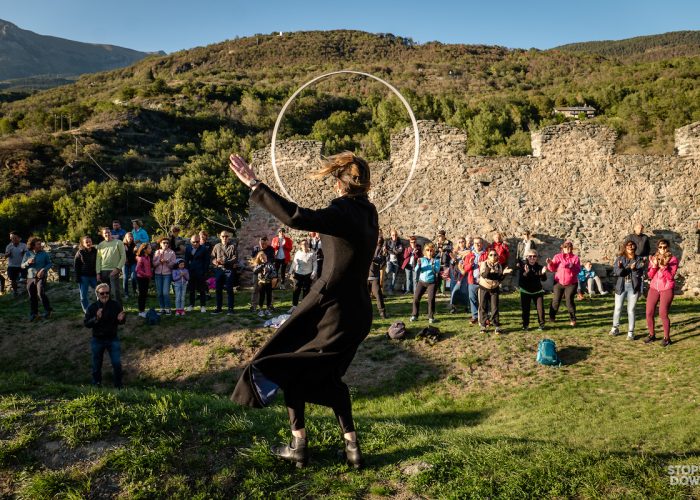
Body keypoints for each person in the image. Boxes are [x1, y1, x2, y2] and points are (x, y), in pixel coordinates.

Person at [229, 151, 378, 469]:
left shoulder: (343, 210)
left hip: (331, 308)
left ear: (339, 184)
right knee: (328, 379)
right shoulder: (369, 212)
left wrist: (256, 185)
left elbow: (296, 217)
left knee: (280, 364)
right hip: (358, 311)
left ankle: (300, 444)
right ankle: (351, 448)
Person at [84, 283, 125, 388]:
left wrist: (121, 319)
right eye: (102, 293)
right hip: (97, 339)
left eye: (107, 293)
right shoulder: (92, 307)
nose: (105, 295)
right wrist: (96, 318)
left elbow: (121, 320)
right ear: (97, 294)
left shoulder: (115, 305)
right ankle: (96, 384)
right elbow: (87, 324)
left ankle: (118, 386)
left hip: (112, 338)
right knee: (96, 364)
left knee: (116, 363)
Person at [644, 239, 678, 347]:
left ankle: (667, 338)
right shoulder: (654, 258)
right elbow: (650, 275)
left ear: (668, 247)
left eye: (665, 247)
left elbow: (671, 276)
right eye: (660, 247)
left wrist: (663, 268)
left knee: (663, 313)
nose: (662, 249)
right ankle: (651, 334)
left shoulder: (673, 259)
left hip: (666, 288)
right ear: (657, 247)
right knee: (649, 312)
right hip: (654, 288)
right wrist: (654, 266)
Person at [610, 240, 645, 340]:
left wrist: (632, 269)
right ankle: (615, 328)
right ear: (625, 247)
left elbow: (639, 272)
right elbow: (617, 272)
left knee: (631, 310)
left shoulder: (638, 259)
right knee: (618, 308)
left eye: (632, 246)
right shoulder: (620, 258)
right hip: (621, 286)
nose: (630, 248)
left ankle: (630, 332)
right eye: (628, 246)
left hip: (633, 287)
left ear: (635, 248)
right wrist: (625, 268)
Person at [547, 240, 581, 327]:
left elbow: (578, 270)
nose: (568, 249)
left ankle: (573, 319)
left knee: (569, 301)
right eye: (566, 247)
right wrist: (550, 263)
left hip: (571, 283)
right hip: (559, 282)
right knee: (556, 300)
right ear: (563, 248)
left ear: (572, 248)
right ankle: (551, 317)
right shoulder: (558, 257)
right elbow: (552, 269)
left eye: (569, 247)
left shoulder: (575, 258)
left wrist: (572, 267)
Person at [478, 249, 512, 333]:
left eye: (495, 255)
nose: (493, 256)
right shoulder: (484, 263)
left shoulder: (499, 265)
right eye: (491, 255)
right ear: (488, 256)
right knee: (483, 306)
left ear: (497, 256)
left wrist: (504, 274)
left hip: (494, 289)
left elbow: (499, 279)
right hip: (484, 287)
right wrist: (490, 269)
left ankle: (496, 325)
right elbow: (485, 275)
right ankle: (483, 325)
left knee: (495, 307)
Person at [21, 237, 52, 321]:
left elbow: (49, 264)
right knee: (32, 296)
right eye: (38, 244)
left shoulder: (44, 254)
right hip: (30, 277)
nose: (40, 245)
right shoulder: (27, 254)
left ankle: (48, 310)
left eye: (40, 243)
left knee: (40, 293)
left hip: (41, 276)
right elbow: (22, 265)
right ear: (33, 245)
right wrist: (28, 262)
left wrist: (43, 269)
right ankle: (34, 314)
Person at [517, 249, 547, 331]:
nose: (532, 258)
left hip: (537, 291)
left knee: (540, 309)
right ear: (527, 257)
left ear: (537, 258)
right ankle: (525, 325)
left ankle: (542, 325)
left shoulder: (540, 267)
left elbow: (544, 279)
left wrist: (543, 273)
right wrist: (526, 273)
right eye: (530, 256)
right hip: (525, 291)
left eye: (534, 256)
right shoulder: (523, 267)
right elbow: (521, 281)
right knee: (525, 309)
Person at [410, 242, 440, 324]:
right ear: (425, 251)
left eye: (431, 250)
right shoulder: (421, 259)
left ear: (433, 251)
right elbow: (416, 270)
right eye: (427, 250)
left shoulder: (436, 260)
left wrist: (433, 265)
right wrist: (419, 265)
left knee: (430, 299)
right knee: (416, 298)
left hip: (432, 282)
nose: (429, 252)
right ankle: (414, 315)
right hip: (422, 282)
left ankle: (431, 316)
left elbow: (437, 271)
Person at [95, 228, 126, 304]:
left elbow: (123, 256)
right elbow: (98, 260)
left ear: (111, 233)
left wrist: (118, 268)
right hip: (103, 271)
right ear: (102, 235)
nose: (107, 234)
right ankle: (105, 311)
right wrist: (98, 273)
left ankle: (119, 312)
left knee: (115, 293)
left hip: (113, 271)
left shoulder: (119, 242)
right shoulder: (101, 245)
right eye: (105, 233)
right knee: (104, 293)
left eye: (108, 232)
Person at [211, 231, 238, 315]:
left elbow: (235, 258)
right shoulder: (216, 246)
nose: (225, 238)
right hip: (219, 270)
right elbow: (212, 257)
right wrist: (215, 262)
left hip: (229, 270)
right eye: (223, 236)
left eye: (226, 236)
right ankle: (219, 308)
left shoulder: (232, 246)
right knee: (218, 290)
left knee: (229, 289)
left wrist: (225, 262)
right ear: (220, 237)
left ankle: (230, 308)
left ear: (228, 237)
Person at [463, 237, 488, 325]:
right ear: (473, 244)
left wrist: (484, 264)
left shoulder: (486, 254)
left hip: (483, 281)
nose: (477, 245)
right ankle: (475, 316)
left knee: (484, 300)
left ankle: (485, 317)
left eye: (479, 243)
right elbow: (465, 268)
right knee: (472, 299)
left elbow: (491, 265)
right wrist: (470, 263)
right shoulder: (469, 255)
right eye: (475, 243)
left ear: (482, 244)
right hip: (472, 281)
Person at [290, 239, 317, 313]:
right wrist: (290, 272)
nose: (305, 245)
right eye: (303, 244)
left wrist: (313, 273)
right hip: (298, 274)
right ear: (301, 246)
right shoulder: (298, 253)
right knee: (296, 290)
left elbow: (315, 264)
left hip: (308, 275)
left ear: (308, 245)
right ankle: (294, 306)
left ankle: (304, 307)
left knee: (306, 290)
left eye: (306, 244)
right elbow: (294, 263)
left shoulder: (312, 253)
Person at [250, 236, 276, 311]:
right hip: (257, 271)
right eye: (261, 243)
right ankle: (253, 305)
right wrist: (259, 266)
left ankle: (270, 305)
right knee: (255, 288)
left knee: (269, 289)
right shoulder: (256, 248)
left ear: (267, 243)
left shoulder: (270, 249)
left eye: (264, 243)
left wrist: (266, 266)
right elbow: (253, 259)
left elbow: (272, 259)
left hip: (267, 271)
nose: (262, 245)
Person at [185, 234, 209, 313]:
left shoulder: (204, 249)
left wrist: (204, 271)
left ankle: (203, 306)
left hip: (200, 272)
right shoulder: (188, 249)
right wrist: (187, 270)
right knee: (191, 290)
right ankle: (191, 305)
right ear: (190, 242)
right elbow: (186, 260)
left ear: (200, 241)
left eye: (197, 242)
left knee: (202, 290)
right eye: (194, 242)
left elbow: (207, 261)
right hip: (191, 272)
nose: (196, 243)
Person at [152, 237, 176, 315]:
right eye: (164, 242)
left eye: (167, 243)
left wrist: (167, 262)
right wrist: (159, 261)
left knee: (165, 292)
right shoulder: (157, 252)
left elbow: (173, 265)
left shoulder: (172, 253)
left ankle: (168, 308)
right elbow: (154, 264)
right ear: (160, 244)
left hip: (167, 274)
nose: (166, 244)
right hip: (158, 274)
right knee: (159, 293)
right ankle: (162, 308)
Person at [74, 235, 98, 313]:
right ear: (83, 243)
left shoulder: (95, 251)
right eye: (86, 242)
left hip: (94, 275)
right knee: (83, 295)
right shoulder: (80, 252)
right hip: (84, 276)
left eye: (90, 241)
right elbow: (76, 266)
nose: (88, 243)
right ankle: (87, 311)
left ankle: (100, 308)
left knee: (100, 292)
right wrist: (77, 277)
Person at [448, 237, 470, 314]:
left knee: (465, 291)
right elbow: (451, 263)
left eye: (462, 241)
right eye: (459, 242)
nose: (461, 243)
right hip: (456, 273)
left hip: (464, 273)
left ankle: (467, 306)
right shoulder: (455, 252)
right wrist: (454, 259)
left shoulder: (468, 251)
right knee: (454, 291)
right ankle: (454, 307)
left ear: (465, 242)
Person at [252, 251, 276, 317]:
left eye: (264, 258)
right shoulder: (258, 265)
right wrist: (261, 266)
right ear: (259, 259)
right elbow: (255, 271)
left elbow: (274, 273)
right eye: (261, 258)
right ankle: (260, 309)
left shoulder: (270, 264)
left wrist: (269, 273)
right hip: (261, 283)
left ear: (266, 257)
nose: (263, 259)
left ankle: (268, 309)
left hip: (268, 282)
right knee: (261, 296)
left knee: (269, 296)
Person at [368, 235, 387, 319]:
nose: (379, 244)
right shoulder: (369, 247)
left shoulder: (381, 251)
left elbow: (380, 262)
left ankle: (382, 313)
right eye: (378, 242)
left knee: (378, 296)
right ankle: (365, 313)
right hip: (366, 276)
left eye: (380, 242)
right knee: (364, 297)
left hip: (374, 277)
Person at [5, 232, 27, 297]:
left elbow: (27, 253)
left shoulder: (23, 245)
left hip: (22, 265)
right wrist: (8, 254)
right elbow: (5, 255)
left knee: (25, 278)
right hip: (12, 266)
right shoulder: (9, 246)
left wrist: (24, 253)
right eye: (11, 238)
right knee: (13, 280)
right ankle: (15, 292)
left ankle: (28, 290)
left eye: (14, 238)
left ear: (19, 238)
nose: (13, 239)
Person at [135, 243, 153, 317]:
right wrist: (147, 275)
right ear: (145, 250)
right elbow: (137, 270)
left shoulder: (148, 257)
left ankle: (142, 310)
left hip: (146, 278)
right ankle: (141, 311)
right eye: (149, 248)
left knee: (144, 294)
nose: (151, 249)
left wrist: (150, 274)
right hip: (141, 278)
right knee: (142, 295)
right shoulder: (141, 258)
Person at [384, 229, 404, 293]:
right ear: (391, 235)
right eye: (393, 235)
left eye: (395, 235)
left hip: (396, 261)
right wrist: (394, 250)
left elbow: (400, 251)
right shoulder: (387, 242)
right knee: (388, 272)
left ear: (397, 235)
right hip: (389, 260)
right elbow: (385, 250)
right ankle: (388, 288)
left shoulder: (399, 242)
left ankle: (391, 289)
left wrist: (391, 250)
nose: (394, 237)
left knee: (394, 276)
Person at [435, 230, 453, 296]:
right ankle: (437, 290)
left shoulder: (449, 242)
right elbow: (435, 252)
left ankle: (444, 291)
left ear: (443, 236)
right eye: (438, 236)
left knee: (445, 276)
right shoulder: (437, 243)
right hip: (438, 262)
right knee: (437, 276)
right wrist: (437, 247)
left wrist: (443, 249)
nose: (439, 237)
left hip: (446, 262)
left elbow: (450, 248)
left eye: (440, 236)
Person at [122, 232, 137, 300]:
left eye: (131, 237)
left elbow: (135, 255)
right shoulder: (123, 245)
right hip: (125, 263)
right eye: (129, 237)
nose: (130, 238)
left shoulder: (134, 245)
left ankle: (134, 290)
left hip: (133, 262)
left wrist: (135, 251)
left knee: (133, 277)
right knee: (125, 278)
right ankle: (126, 293)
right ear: (126, 238)